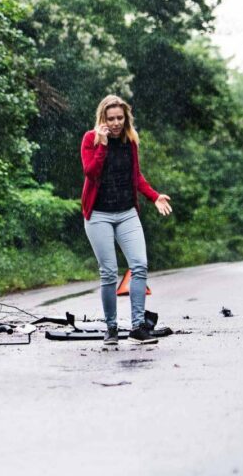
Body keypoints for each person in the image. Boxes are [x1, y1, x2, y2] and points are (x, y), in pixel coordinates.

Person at [80, 95, 172, 346]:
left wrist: (154, 196)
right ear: (102, 119)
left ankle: (138, 326)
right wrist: (102, 145)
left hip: (126, 212)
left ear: (126, 117)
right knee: (109, 273)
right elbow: (91, 172)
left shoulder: (130, 141)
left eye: (120, 118)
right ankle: (110, 328)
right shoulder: (91, 139)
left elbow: (136, 176)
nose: (116, 123)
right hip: (98, 215)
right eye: (111, 119)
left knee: (139, 265)